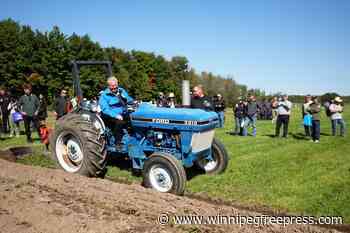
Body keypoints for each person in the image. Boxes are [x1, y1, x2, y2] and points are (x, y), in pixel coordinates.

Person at [99, 76, 134, 145]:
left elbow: (130, 100)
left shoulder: (121, 90)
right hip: (110, 115)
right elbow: (105, 109)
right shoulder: (104, 95)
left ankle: (133, 138)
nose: (114, 88)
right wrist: (116, 115)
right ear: (108, 86)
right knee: (119, 122)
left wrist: (126, 99)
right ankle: (118, 142)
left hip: (123, 113)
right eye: (112, 86)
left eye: (115, 85)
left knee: (134, 118)